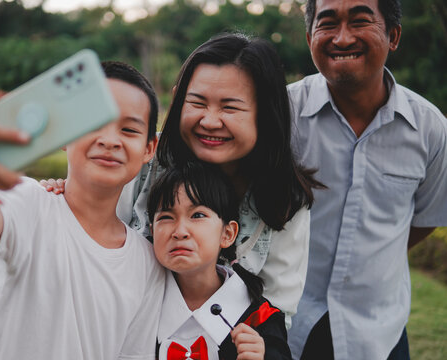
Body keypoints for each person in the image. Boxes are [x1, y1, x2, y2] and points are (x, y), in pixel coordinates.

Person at [42, 33, 321, 329]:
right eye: (197, 103)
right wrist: (65, 195)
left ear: (266, 114)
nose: (210, 121)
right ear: (177, 99)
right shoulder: (143, 156)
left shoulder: (284, 199)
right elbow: (90, 232)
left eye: (229, 107)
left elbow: (278, 309)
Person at [0, 61, 165, 359]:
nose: (109, 140)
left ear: (149, 148)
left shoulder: (147, 264)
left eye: (129, 129)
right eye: (92, 123)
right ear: (64, 133)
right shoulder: (30, 201)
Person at [287, 1, 447, 359]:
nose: (342, 39)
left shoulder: (430, 130)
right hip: (290, 326)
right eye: (327, 23)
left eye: (360, 21)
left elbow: (425, 219)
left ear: (393, 35)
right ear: (310, 36)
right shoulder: (281, 115)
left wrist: (370, 254)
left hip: (380, 332)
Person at [147, 162, 291, 359]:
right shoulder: (140, 306)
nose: (179, 232)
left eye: (197, 215)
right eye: (166, 217)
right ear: (152, 231)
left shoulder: (260, 320)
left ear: (228, 233)